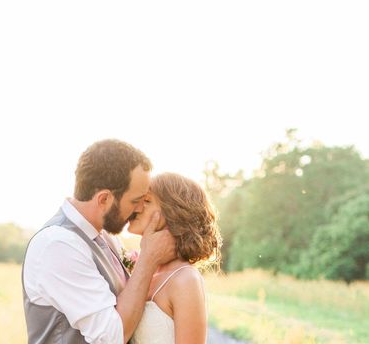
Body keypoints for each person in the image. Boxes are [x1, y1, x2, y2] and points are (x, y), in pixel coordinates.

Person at [22, 139, 176, 344]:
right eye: (135, 200)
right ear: (104, 199)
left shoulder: (107, 238)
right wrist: (148, 259)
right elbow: (111, 337)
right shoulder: (57, 245)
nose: (139, 209)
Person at [126, 172, 222, 344]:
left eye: (147, 201)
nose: (136, 207)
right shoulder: (144, 270)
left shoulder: (185, 279)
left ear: (173, 212)